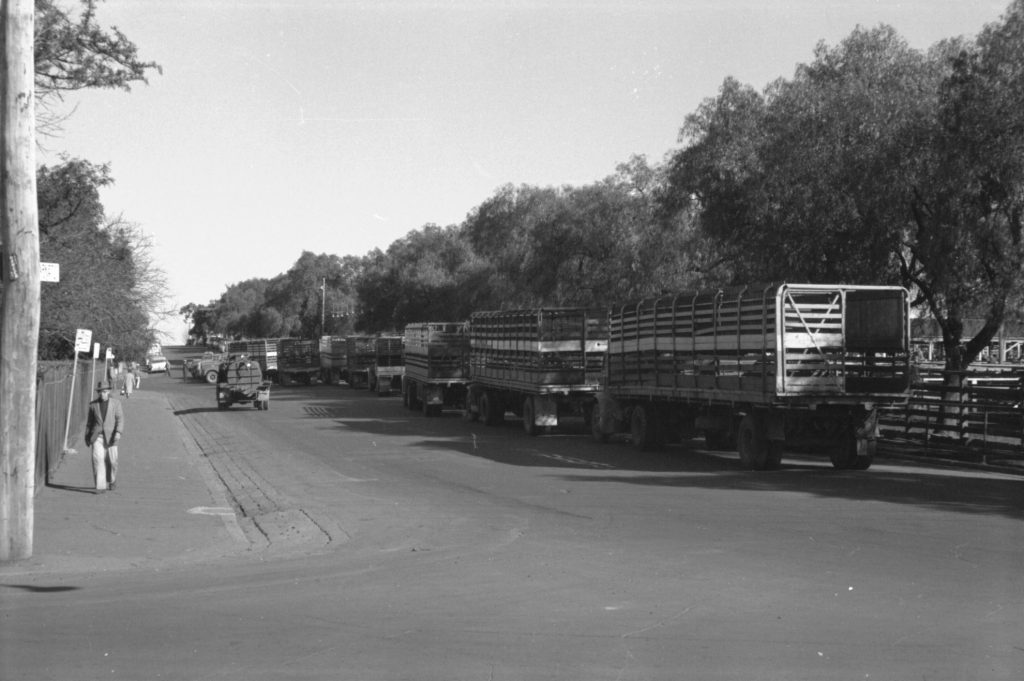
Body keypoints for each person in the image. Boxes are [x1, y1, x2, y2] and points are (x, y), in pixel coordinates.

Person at [85, 380, 125, 492]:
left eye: (104, 392)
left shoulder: (116, 403)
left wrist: (118, 432)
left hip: (112, 437)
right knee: (98, 460)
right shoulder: (93, 405)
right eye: (100, 392)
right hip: (97, 437)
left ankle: (112, 480)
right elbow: (89, 422)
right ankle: (100, 486)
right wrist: (87, 436)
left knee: (112, 461)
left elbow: (120, 419)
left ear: (108, 391)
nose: (102, 394)